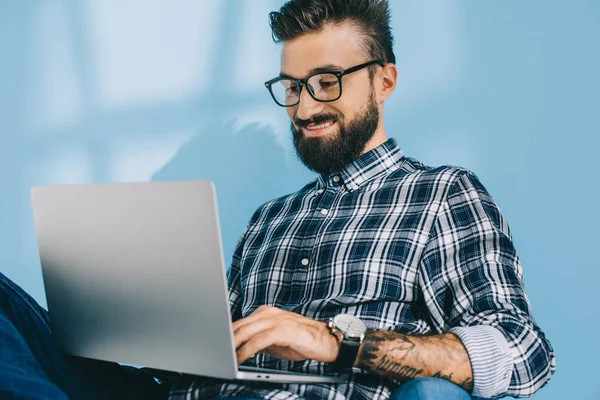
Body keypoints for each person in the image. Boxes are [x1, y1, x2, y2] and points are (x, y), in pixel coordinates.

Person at [0, 0, 555, 399]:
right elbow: (204, 356)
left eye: (328, 81)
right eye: (292, 86)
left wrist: (334, 341)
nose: (304, 107)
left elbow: (523, 352)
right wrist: (148, 331)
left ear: (384, 81)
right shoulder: (269, 220)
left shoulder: (440, 195)